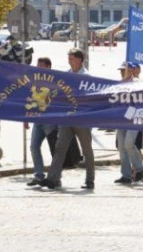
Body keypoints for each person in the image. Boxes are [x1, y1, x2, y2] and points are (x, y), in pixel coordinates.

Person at [42, 48, 96, 190]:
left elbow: (90, 98)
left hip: (82, 119)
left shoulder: (87, 77)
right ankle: (52, 178)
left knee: (87, 150)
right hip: (66, 118)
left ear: (79, 60)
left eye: (71, 58)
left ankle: (90, 180)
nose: (69, 61)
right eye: (69, 58)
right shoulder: (65, 75)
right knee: (60, 148)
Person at [114, 62, 143, 185]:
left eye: (125, 70)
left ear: (132, 70)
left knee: (128, 143)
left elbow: (142, 101)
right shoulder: (118, 85)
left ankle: (140, 168)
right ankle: (126, 175)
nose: (122, 72)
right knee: (122, 148)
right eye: (121, 70)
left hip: (134, 119)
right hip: (121, 119)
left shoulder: (138, 83)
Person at [26, 57, 57, 186]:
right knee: (34, 147)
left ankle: (55, 177)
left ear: (48, 66)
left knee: (54, 150)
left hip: (50, 120)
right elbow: (30, 99)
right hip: (37, 120)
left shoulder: (56, 80)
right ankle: (39, 175)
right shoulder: (35, 80)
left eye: (41, 66)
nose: (38, 68)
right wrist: (25, 118)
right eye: (37, 66)